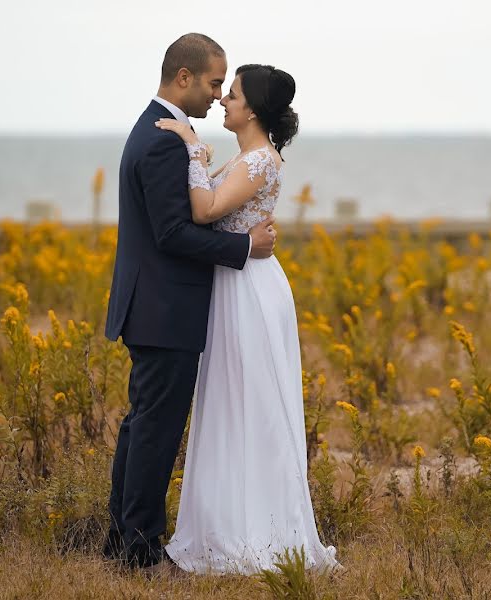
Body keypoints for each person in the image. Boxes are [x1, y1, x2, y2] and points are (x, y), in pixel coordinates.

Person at [153, 63, 339, 574]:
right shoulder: (246, 157)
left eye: (231, 94)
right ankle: (228, 519)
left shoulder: (259, 161)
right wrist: (203, 156)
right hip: (235, 283)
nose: (224, 101)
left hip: (249, 292)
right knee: (231, 401)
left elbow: (206, 211)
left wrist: (192, 149)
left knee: (252, 402)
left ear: (252, 108)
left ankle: (260, 530)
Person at [102, 33, 277, 571]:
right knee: (154, 429)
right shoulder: (160, 140)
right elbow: (173, 233)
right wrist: (245, 246)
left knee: (142, 424)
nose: (217, 94)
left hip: (155, 305)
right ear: (184, 78)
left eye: (226, 87)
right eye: (213, 83)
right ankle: (141, 550)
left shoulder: (158, 131)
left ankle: (123, 539)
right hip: (164, 307)